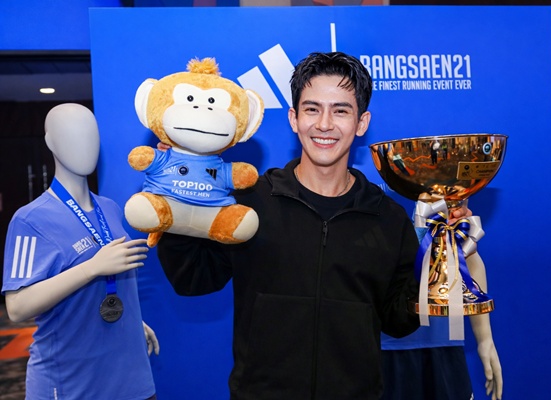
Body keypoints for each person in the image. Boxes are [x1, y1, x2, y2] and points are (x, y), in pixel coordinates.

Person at [156, 51, 434, 400]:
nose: (324, 124)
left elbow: (399, 321)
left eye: (341, 111)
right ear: (294, 118)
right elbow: (193, 279)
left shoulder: (388, 217)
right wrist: (176, 199)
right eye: (312, 109)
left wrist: (440, 256)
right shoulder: (250, 202)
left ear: (361, 123)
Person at [2, 103, 159, 399]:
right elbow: (17, 307)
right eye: (71, 134)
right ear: (50, 142)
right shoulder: (30, 219)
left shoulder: (110, 208)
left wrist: (130, 322)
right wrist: (91, 268)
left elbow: (108, 288)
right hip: (73, 384)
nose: (84, 144)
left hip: (132, 377)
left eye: (90, 135)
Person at [380, 247, 503, 400]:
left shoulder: (446, 229)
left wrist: (484, 338)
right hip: (382, 347)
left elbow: (469, 257)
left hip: (443, 346)